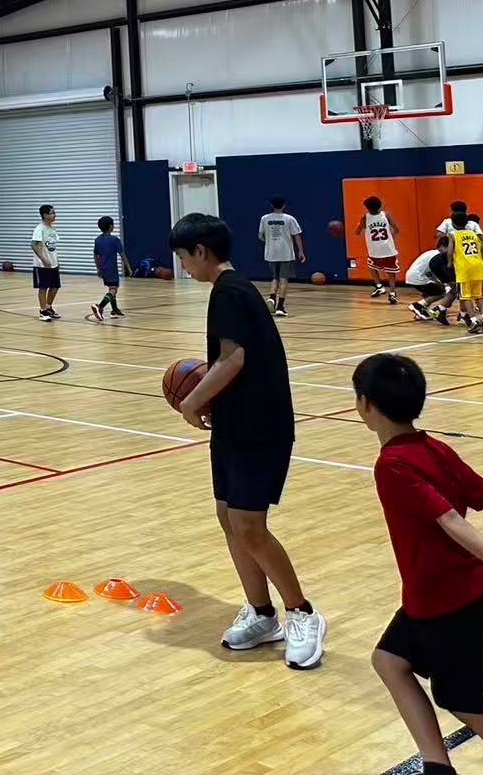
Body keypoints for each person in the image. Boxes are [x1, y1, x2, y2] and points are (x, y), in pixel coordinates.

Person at [171, 212, 324, 670]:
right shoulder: (231, 290)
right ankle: (262, 614)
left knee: (249, 526)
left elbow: (231, 359)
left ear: (201, 251)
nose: (182, 267)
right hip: (236, 423)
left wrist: (190, 401)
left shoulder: (231, 292)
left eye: (183, 257)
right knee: (228, 517)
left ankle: (303, 613)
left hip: (261, 425)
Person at [354, 352, 483, 775]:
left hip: (450, 603)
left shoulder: (393, 464)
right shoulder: (433, 447)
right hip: (433, 598)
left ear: (365, 404)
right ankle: (437, 765)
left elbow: (452, 520)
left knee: (463, 702)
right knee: (389, 662)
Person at [258, 196, 305, 317]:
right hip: (285, 253)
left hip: (271, 253)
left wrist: (270, 242)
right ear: (284, 205)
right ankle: (280, 307)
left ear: (271, 205)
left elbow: (261, 236)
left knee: (275, 277)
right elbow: (296, 236)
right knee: (283, 279)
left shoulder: (264, 218)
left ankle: (272, 298)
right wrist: (301, 251)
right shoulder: (289, 219)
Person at [449, 209, 483, 336]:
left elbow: (450, 252)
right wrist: (480, 261)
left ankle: (473, 321)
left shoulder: (453, 235)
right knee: (478, 295)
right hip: (477, 266)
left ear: (453, 224)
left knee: (465, 296)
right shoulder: (473, 233)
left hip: (464, 268)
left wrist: (449, 263)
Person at [356, 196, 402, 305]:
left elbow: (357, 232)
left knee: (372, 266)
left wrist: (360, 225)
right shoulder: (386, 215)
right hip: (388, 248)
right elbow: (396, 229)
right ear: (380, 205)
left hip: (374, 250)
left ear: (367, 207)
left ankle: (379, 286)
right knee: (390, 271)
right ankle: (392, 293)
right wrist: (391, 240)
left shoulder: (365, 217)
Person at [406, 237, 457, 324]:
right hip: (418, 277)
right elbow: (433, 271)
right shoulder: (437, 256)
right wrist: (445, 285)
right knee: (442, 293)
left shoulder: (432, 253)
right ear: (442, 246)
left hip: (416, 276)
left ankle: (421, 310)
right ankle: (419, 305)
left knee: (434, 290)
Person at [91, 216, 130, 321]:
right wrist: (129, 268)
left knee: (112, 288)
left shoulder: (98, 240)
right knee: (113, 289)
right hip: (112, 268)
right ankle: (100, 306)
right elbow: (123, 255)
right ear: (111, 226)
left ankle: (114, 310)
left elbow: (95, 256)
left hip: (103, 268)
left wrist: (98, 268)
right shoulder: (114, 240)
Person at [31, 203, 60, 323]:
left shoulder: (52, 229)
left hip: (53, 263)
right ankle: (43, 311)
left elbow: (52, 246)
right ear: (45, 215)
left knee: (55, 287)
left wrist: (57, 261)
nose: (55, 215)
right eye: (52, 213)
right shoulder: (39, 228)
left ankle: (48, 307)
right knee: (43, 287)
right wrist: (43, 259)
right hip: (42, 265)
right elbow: (33, 245)